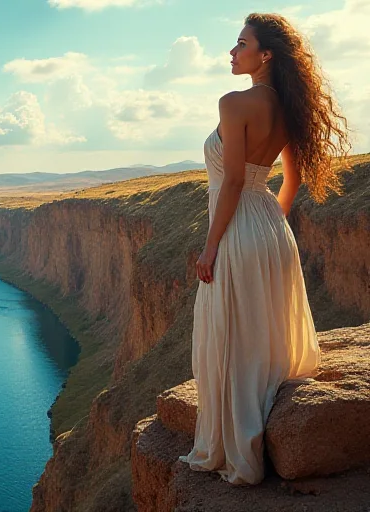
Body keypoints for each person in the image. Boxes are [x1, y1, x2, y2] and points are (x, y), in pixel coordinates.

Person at [178, 12, 351, 485]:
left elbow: (233, 179)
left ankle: (238, 449)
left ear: (265, 54)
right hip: (272, 229)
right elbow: (290, 181)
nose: (232, 52)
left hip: (236, 229)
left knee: (234, 335)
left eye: (241, 43)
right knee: (261, 331)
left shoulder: (233, 103)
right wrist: (269, 221)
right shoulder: (290, 108)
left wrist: (210, 248)